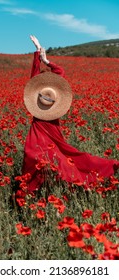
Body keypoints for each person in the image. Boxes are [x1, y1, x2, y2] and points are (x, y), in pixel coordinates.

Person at [22, 35, 119, 194]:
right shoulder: (55, 100)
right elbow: (59, 72)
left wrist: (40, 56)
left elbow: (36, 74)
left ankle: (45, 189)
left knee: (58, 159)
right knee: (35, 156)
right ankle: (35, 189)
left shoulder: (48, 106)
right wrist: (45, 59)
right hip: (39, 128)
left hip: (48, 129)